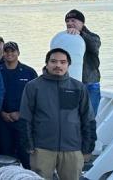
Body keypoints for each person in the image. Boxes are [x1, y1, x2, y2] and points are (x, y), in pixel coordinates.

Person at [19, 48, 96, 180]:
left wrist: (88, 147)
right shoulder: (33, 86)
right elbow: (26, 117)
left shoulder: (78, 87)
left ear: (68, 65)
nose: (58, 65)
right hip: (41, 149)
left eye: (62, 62)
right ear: (47, 63)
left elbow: (88, 119)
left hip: (72, 148)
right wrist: (29, 145)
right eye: (53, 61)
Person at [0, 41, 37, 168]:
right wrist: (1, 112)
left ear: (18, 53)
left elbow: (34, 97)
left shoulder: (29, 72)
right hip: (2, 120)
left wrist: (21, 113)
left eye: (12, 51)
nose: (9, 54)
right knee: (4, 154)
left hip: (23, 120)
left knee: (25, 154)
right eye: (6, 51)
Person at [65, 9, 102, 114]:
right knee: (71, 118)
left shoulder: (94, 37)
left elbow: (94, 46)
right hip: (71, 85)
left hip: (90, 84)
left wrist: (81, 34)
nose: (69, 23)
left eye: (73, 20)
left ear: (82, 23)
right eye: (67, 21)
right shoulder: (65, 38)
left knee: (89, 118)